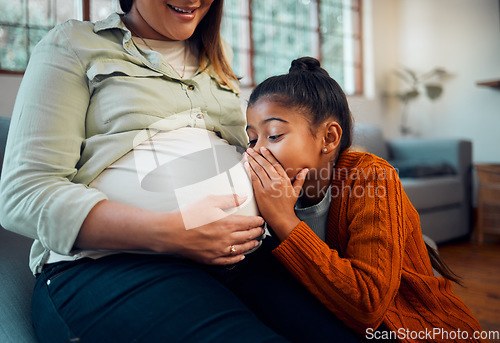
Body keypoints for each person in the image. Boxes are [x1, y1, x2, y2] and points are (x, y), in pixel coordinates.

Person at [0, 1, 360, 342]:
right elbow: (24, 193)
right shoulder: (75, 44)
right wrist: (173, 232)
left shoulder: (218, 59)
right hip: (111, 263)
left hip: (241, 257)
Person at [243, 57, 486, 343]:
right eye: (252, 139)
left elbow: (368, 306)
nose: (256, 152)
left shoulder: (372, 177)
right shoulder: (265, 188)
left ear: (329, 138)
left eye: (273, 136)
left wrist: (284, 220)